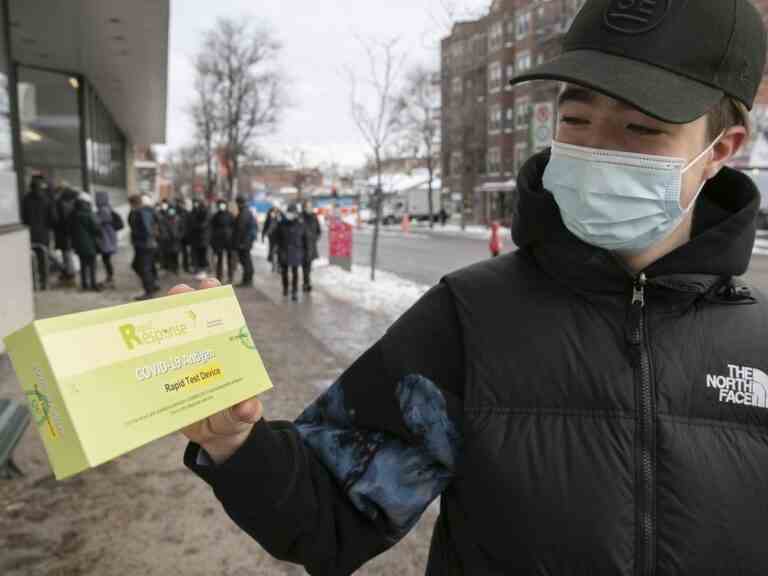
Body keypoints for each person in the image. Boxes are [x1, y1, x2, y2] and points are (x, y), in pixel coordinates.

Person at [176, 1, 768, 573]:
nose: (596, 149)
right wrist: (237, 442)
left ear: (720, 149)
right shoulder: (472, 318)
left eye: (641, 128)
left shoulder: (759, 341)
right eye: (576, 119)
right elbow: (332, 510)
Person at [22, 175, 57, 290]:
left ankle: (33, 284)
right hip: (43, 235)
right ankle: (44, 283)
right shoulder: (47, 199)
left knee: (30, 260)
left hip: (30, 234)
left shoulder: (25, 199)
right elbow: (53, 218)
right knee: (44, 260)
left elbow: (23, 218)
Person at [128, 194, 158, 300]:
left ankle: (149, 291)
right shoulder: (145, 211)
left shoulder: (141, 212)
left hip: (144, 245)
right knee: (141, 266)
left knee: (143, 267)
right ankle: (152, 285)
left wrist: (144, 238)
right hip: (145, 244)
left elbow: (147, 229)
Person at [69, 194, 101, 292]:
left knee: (83, 265)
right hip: (90, 243)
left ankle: (84, 285)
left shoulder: (72, 215)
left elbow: (70, 229)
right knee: (92, 265)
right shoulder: (89, 214)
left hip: (78, 244)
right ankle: (93, 284)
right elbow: (96, 228)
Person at [275, 203, 305, 300]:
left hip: (296, 250)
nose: (291, 214)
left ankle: (295, 291)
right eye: (289, 212)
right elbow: (277, 238)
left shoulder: (300, 223)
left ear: (296, 213)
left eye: (293, 212)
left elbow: (304, 238)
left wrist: (304, 250)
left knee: (295, 272)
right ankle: (285, 288)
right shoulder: (281, 223)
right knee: (284, 271)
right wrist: (277, 249)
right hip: (284, 250)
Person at [53, 185, 78, 286]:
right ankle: (68, 274)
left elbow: (60, 220)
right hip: (67, 234)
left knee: (67, 255)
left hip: (64, 234)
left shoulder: (61, 204)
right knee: (67, 254)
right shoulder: (70, 203)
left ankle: (70, 275)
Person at [94, 191, 118, 288]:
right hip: (108, 237)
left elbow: (98, 222)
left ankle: (110, 278)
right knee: (106, 259)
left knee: (106, 259)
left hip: (106, 238)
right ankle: (110, 278)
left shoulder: (103, 210)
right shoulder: (108, 208)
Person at [233, 196, 257, 287]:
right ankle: (247, 280)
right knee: (246, 261)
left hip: (244, 243)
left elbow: (240, 229)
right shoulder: (246, 212)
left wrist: (239, 243)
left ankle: (247, 281)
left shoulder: (244, 213)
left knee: (246, 261)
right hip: (246, 242)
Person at [210, 199, 236, 283]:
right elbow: (212, 229)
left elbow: (234, 228)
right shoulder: (216, 216)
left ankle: (230, 277)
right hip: (219, 241)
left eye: (223, 204)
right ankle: (219, 277)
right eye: (220, 204)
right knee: (219, 260)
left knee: (229, 259)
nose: (222, 206)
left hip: (229, 241)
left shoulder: (230, 215)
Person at [300, 200, 321, 292]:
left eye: (310, 206)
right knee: (305, 265)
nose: (309, 208)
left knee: (308, 265)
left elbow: (319, 231)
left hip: (311, 246)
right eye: (307, 206)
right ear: (304, 207)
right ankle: (306, 283)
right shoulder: (300, 217)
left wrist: (314, 239)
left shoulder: (314, 217)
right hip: (302, 245)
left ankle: (307, 282)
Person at [158, 203, 184, 275]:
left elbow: (182, 229)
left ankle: (176, 269)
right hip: (168, 241)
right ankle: (170, 268)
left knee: (175, 255)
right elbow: (162, 229)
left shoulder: (178, 219)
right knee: (168, 255)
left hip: (176, 241)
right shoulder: (164, 219)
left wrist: (179, 236)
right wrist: (166, 236)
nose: (171, 211)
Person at [189, 198, 210, 277]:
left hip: (202, 239)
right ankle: (199, 270)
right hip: (198, 239)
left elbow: (202, 225)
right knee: (197, 256)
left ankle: (202, 271)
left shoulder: (204, 213)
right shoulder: (195, 213)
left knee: (202, 256)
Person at [262, 206, 282, 274]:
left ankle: (279, 267)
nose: (275, 210)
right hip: (272, 237)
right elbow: (266, 225)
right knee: (272, 252)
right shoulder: (269, 216)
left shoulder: (280, 216)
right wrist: (263, 235)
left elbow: (284, 226)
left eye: (276, 209)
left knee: (278, 252)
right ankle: (274, 266)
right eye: (273, 209)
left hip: (279, 237)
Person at [175, 197, 192, 273]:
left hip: (185, 236)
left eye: (181, 203)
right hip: (177, 236)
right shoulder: (175, 212)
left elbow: (189, 224)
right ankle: (176, 267)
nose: (179, 205)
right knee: (176, 252)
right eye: (178, 203)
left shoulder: (186, 213)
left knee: (185, 253)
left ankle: (186, 267)